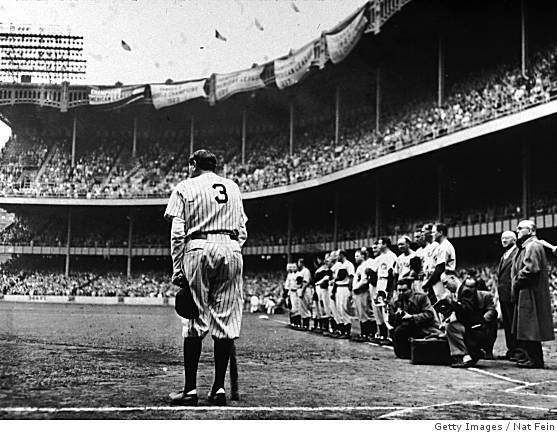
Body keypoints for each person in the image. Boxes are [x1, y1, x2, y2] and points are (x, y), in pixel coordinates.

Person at [164, 149, 248, 407]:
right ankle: (219, 389)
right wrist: (230, 249)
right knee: (225, 323)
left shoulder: (185, 186)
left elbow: (178, 233)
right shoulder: (233, 187)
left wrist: (179, 269)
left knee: (194, 322)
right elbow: (242, 230)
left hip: (198, 247)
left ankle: (190, 391)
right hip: (232, 249)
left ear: (193, 164)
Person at [511, 220, 555, 368]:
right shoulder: (529, 246)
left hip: (529, 290)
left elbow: (531, 269)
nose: (517, 230)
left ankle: (535, 359)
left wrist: (516, 280)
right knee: (528, 326)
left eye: (520, 228)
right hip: (528, 289)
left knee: (530, 326)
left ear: (530, 231)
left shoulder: (532, 246)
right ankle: (532, 357)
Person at [443, 274, 498, 368]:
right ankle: (472, 353)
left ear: (453, 279)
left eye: (446, 283)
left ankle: (465, 355)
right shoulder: (458, 293)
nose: (445, 286)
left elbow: (467, 311)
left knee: (452, 327)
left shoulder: (466, 291)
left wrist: (452, 304)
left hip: (476, 326)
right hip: (471, 325)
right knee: (451, 326)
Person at [391, 278, 442, 359]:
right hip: (408, 328)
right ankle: (405, 353)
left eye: (404, 290)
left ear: (411, 289)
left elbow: (429, 314)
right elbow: (392, 321)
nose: (401, 293)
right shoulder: (397, 301)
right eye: (399, 290)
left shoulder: (421, 298)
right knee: (398, 331)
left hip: (425, 327)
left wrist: (412, 317)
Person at [496, 231, 519, 360]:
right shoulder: (504, 255)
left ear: (514, 240)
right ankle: (511, 349)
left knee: (513, 323)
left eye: (507, 238)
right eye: (502, 238)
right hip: (503, 294)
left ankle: (516, 350)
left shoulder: (516, 253)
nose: (503, 240)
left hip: (511, 294)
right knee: (507, 323)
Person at [422, 223, 456, 304]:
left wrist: (428, 284)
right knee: (441, 306)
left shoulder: (445, 246)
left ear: (440, 233)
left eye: (434, 232)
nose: (432, 234)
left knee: (447, 307)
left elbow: (440, 269)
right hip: (441, 280)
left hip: (445, 279)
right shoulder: (441, 246)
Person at [352, 248, 376, 342]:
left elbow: (365, 280)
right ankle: (364, 333)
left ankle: (370, 333)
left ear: (363, 255)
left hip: (363, 291)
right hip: (358, 292)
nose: (355, 258)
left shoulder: (368, 263)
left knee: (366, 312)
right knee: (361, 313)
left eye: (357, 256)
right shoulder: (360, 266)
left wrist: (356, 288)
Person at [331, 249, 355, 339]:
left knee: (344, 308)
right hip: (338, 288)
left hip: (345, 288)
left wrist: (350, 291)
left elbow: (351, 277)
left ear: (342, 255)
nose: (336, 258)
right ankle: (341, 330)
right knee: (339, 309)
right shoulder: (339, 265)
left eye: (337, 255)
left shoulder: (349, 264)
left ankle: (347, 332)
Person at [296, 258, 313, 331]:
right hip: (301, 289)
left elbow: (306, 282)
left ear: (302, 263)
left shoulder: (306, 271)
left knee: (305, 307)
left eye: (299, 263)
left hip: (305, 290)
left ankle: (306, 325)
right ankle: (304, 324)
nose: (298, 264)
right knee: (302, 308)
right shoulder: (301, 271)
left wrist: (302, 291)